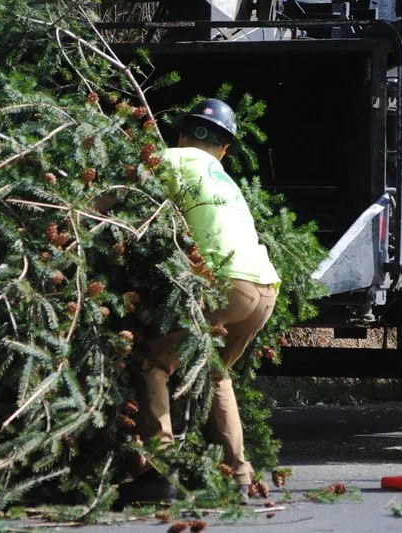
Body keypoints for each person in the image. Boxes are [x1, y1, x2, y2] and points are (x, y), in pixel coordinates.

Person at [126, 98, 281, 502]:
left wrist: (82, 212)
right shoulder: (224, 179)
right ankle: (241, 474)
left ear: (181, 134)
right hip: (265, 289)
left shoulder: (173, 157)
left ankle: (160, 472)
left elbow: (125, 190)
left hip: (226, 284)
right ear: (225, 148)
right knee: (215, 371)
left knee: (152, 362)